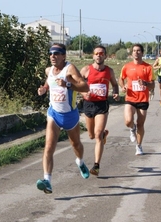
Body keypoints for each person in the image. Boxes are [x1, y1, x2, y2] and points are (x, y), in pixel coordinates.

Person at [36, 43, 90, 194]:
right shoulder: (49, 70)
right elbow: (49, 81)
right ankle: (47, 181)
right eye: (51, 53)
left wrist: (67, 84)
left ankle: (80, 162)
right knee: (48, 147)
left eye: (57, 53)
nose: (53, 56)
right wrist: (44, 89)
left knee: (76, 145)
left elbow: (85, 87)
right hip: (53, 114)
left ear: (64, 56)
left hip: (70, 115)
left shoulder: (70, 69)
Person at [80, 45, 120, 176]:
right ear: (93, 56)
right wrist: (83, 93)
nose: (99, 55)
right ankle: (103, 135)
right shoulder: (86, 70)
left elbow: (114, 84)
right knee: (91, 135)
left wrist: (115, 93)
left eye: (101, 53)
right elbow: (77, 84)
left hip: (102, 105)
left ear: (105, 56)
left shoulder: (109, 71)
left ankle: (96, 165)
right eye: (96, 53)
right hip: (88, 104)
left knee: (97, 134)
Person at [118, 43, 155, 155]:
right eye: (134, 50)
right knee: (128, 120)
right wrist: (122, 86)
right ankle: (132, 128)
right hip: (130, 97)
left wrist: (145, 83)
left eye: (138, 50)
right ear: (132, 53)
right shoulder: (127, 66)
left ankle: (139, 146)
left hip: (143, 99)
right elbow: (121, 78)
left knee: (140, 124)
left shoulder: (148, 67)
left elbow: (152, 85)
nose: (136, 52)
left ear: (142, 53)